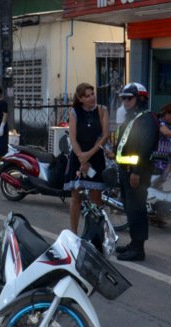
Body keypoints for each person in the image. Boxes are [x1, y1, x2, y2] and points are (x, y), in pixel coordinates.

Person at [114, 82, 159, 261]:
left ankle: (138, 249)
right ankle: (133, 243)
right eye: (123, 98)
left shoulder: (146, 119)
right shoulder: (133, 117)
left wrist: (136, 172)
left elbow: (145, 147)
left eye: (129, 98)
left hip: (136, 172)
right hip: (126, 170)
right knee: (129, 208)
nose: (125, 101)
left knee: (137, 209)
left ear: (140, 98)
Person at [65, 83, 110, 232]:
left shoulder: (102, 110)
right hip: (78, 157)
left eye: (93, 94)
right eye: (88, 95)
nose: (92, 97)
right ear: (80, 98)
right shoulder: (75, 112)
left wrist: (89, 155)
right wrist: (81, 158)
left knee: (95, 199)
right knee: (76, 197)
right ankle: (73, 233)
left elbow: (105, 135)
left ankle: (94, 234)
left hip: (95, 156)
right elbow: (73, 138)